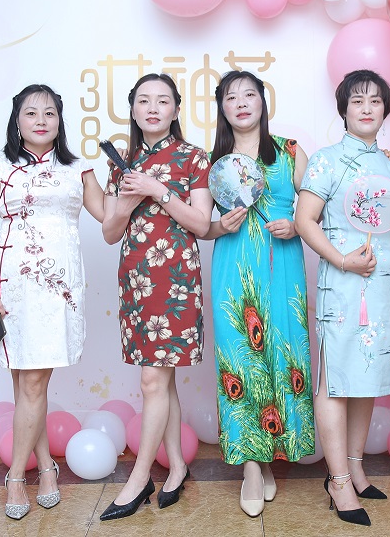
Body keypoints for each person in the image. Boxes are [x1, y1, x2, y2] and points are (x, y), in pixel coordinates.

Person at [0, 84, 105, 520]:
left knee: (32, 384)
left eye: (49, 113)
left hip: (60, 287)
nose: (41, 120)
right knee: (28, 385)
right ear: (17, 120)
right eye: (31, 113)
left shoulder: (78, 169)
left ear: (60, 120)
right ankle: (28, 473)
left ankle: (34, 470)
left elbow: (107, 214)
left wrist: (129, 184)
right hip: (14, 289)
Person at [295, 70, 390, 528]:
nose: (366, 108)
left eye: (375, 101)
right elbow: (304, 220)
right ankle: (337, 479)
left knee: (368, 374)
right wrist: (342, 260)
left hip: (380, 283)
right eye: (357, 100)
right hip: (341, 285)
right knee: (335, 381)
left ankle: (356, 467)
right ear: (343, 109)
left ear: (385, 110)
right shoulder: (327, 160)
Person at [99, 73, 213, 521]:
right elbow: (110, 233)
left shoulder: (193, 157)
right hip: (136, 281)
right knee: (160, 381)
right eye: (143, 100)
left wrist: (158, 190)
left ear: (176, 109)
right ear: (132, 109)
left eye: (162, 101)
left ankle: (139, 477)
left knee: (152, 381)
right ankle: (178, 466)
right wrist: (127, 203)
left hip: (176, 281)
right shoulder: (122, 162)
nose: (152, 108)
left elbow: (201, 224)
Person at [204, 70, 314, 518]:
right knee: (240, 358)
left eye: (250, 94)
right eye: (231, 97)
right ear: (222, 108)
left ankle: (268, 456)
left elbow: (319, 209)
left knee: (282, 355)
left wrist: (297, 226)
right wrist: (219, 226)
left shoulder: (290, 152)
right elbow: (200, 224)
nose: (241, 103)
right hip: (234, 266)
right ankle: (251, 467)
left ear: (263, 102)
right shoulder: (213, 161)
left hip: (282, 265)